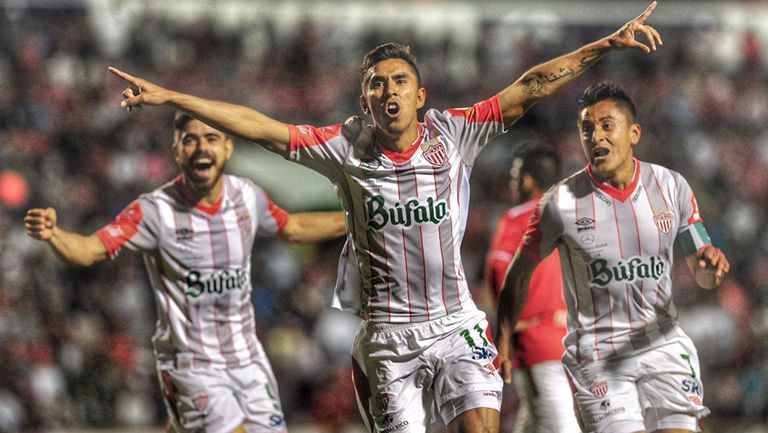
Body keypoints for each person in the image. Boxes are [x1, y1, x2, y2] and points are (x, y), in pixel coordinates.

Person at [107, 3, 663, 432]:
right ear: (365, 100)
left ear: (420, 95)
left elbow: (531, 87)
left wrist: (604, 45)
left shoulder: (454, 133)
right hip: (388, 338)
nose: (388, 90)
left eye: (399, 81)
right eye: (377, 83)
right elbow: (258, 126)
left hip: (454, 325)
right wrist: (173, 98)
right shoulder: (343, 148)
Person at [24, 113, 347, 433]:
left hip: (247, 358)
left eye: (210, 138)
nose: (201, 148)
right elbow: (88, 249)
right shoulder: (154, 210)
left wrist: (355, 220)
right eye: (190, 140)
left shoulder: (247, 196)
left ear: (227, 148)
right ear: (176, 150)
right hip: (192, 364)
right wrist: (55, 235)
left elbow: (294, 227)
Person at [496, 82, 731, 433]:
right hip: (598, 356)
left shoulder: (673, 186)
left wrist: (710, 268)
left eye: (607, 125)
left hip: (663, 346)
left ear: (634, 133)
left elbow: (701, 269)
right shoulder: (560, 203)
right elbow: (518, 274)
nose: (596, 136)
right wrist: (502, 339)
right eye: (587, 128)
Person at [485, 147, 580, 433]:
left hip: (536, 338)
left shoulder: (519, 217)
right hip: (561, 338)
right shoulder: (571, 217)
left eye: (514, 177)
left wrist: (507, 323)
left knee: (546, 425)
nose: (512, 184)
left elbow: (497, 269)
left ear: (526, 180)